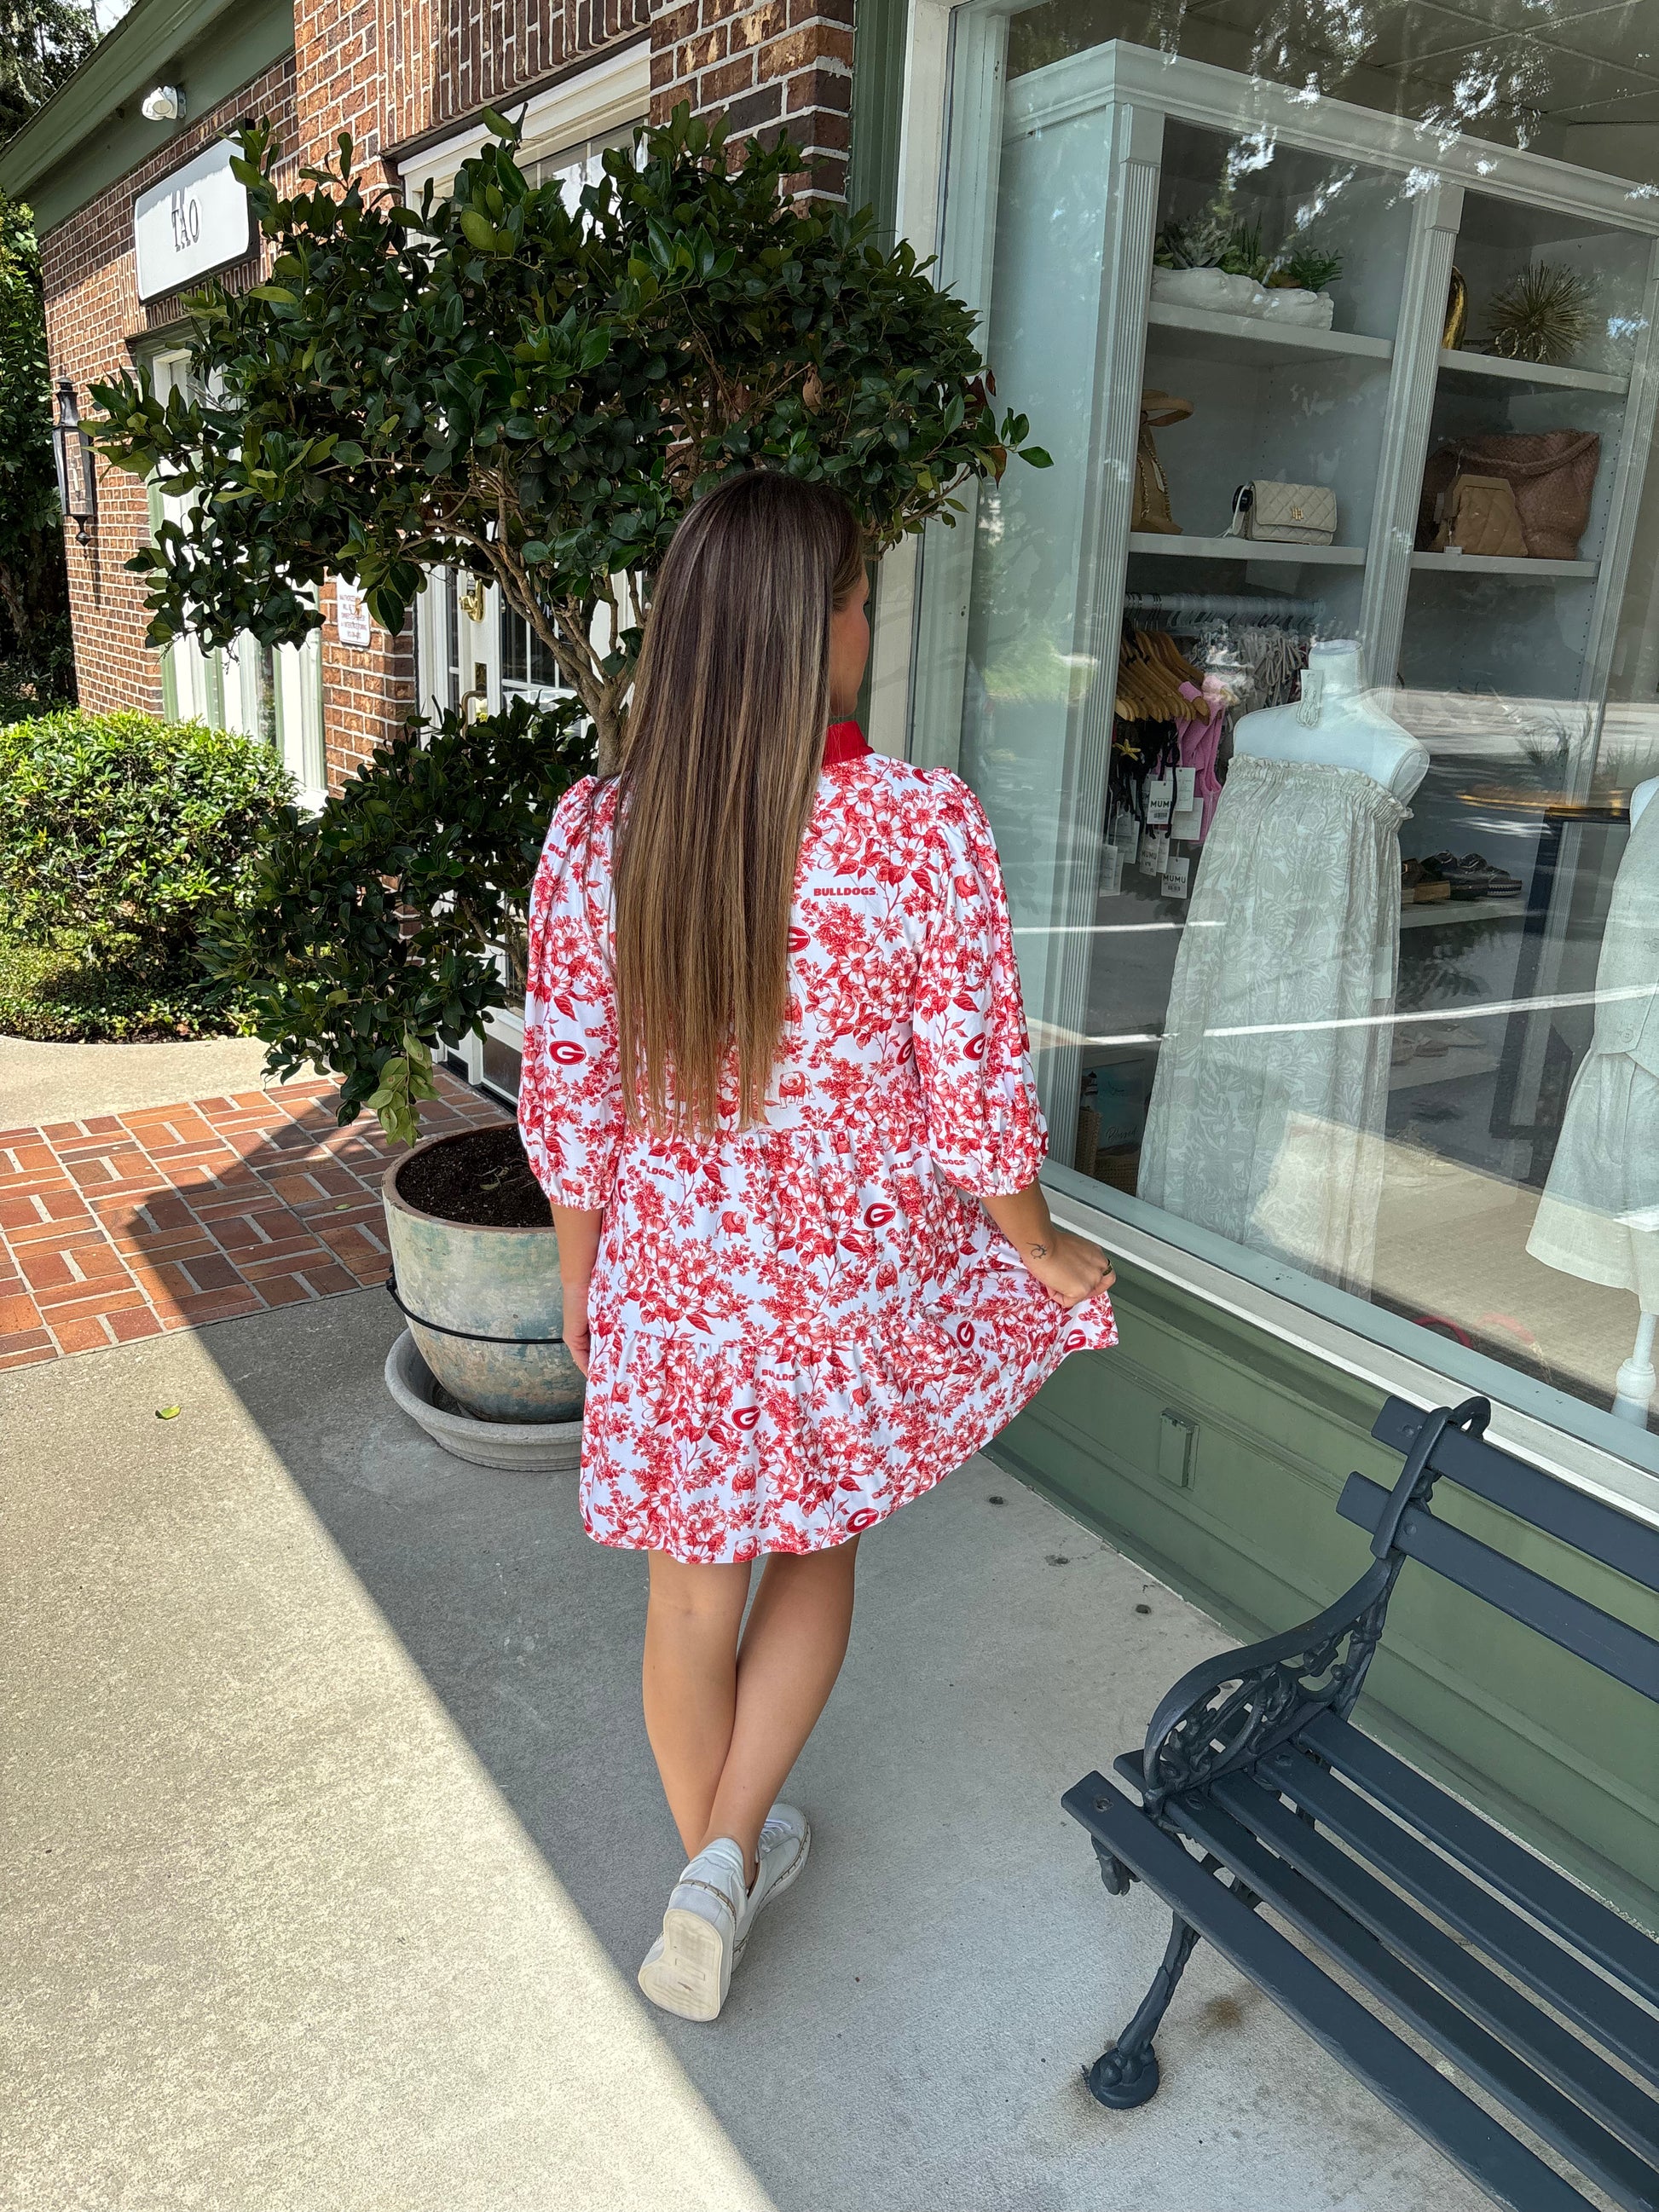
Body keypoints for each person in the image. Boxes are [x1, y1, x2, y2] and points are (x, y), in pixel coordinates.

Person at [518, 471, 1117, 2023]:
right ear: (823, 625)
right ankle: (723, 1860)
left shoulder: (597, 833)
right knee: (816, 1550)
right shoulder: (913, 829)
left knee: (686, 1597)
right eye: (862, 597)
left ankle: (708, 1871)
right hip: (843, 1292)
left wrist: (581, 1278)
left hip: (670, 1284)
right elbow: (975, 1101)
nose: (869, 621)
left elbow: (570, 1095)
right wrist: (1039, 1250)